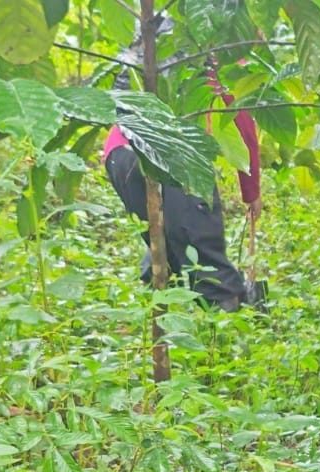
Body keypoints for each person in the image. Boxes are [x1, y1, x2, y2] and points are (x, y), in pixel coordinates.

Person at [103, 42, 265, 311]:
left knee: (167, 245)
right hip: (172, 154)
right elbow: (243, 124)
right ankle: (225, 337)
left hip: (118, 155)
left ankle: (167, 326)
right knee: (207, 261)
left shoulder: (166, 51)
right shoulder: (221, 64)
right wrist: (252, 191)